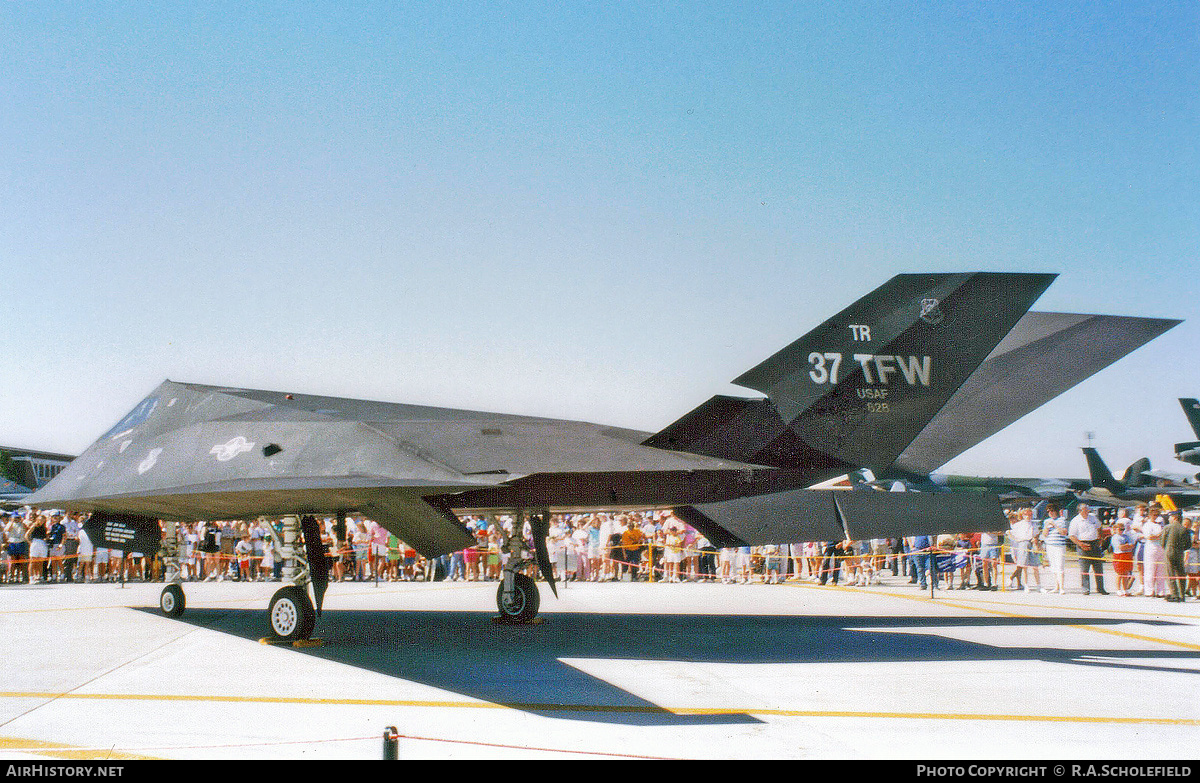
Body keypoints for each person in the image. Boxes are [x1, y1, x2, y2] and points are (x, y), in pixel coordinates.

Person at [1068, 503, 1107, 595]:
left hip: (1094, 543)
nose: (1087, 511)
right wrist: (1080, 544)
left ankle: (1101, 588)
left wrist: (1100, 537)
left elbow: (1099, 526)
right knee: (1084, 568)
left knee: (1098, 568)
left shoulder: (1092, 517)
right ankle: (1086, 589)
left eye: (1088, 509)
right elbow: (1071, 536)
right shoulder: (1075, 521)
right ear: (1080, 511)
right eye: (1085, 510)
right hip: (1083, 544)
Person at [1162, 512, 1192, 602]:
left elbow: (1162, 542)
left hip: (1169, 552)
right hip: (1180, 553)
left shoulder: (1168, 527)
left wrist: (1167, 548)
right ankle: (1182, 595)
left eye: (1170, 517)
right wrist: (1181, 549)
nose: (1169, 519)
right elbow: (1188, 545)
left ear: (1174, 518)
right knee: (1181, 573)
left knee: (1170, 573)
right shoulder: (1184, 529)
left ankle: (1174, 594)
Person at [1141, 511, 1168, 598]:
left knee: (1161, 571)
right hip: (1151, 548)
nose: (1155, 517)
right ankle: (1149, 591)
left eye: (1157, 515)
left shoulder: (1159, 525)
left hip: (1160, 547)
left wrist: (1159, 536)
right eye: (1154, 515)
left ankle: (1161, 591)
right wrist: (1159, 535)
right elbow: (1149, 537)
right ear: (1149, 516)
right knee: (1150, 570)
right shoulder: (1147, 525)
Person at [1041, 510, 1069, 594]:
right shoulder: (1046, 521)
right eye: (1049, 512)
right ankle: (1056, 586)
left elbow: (1064, 533)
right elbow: (1044, 534)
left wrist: (1055, 525)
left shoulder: (1062, 520)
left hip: (1059, 545)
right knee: (1053, 566)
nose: (1051, 513)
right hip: (1050, 545)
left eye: (1052, 511)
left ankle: (1062, 588)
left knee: (1060, 566)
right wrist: (1046, 526)